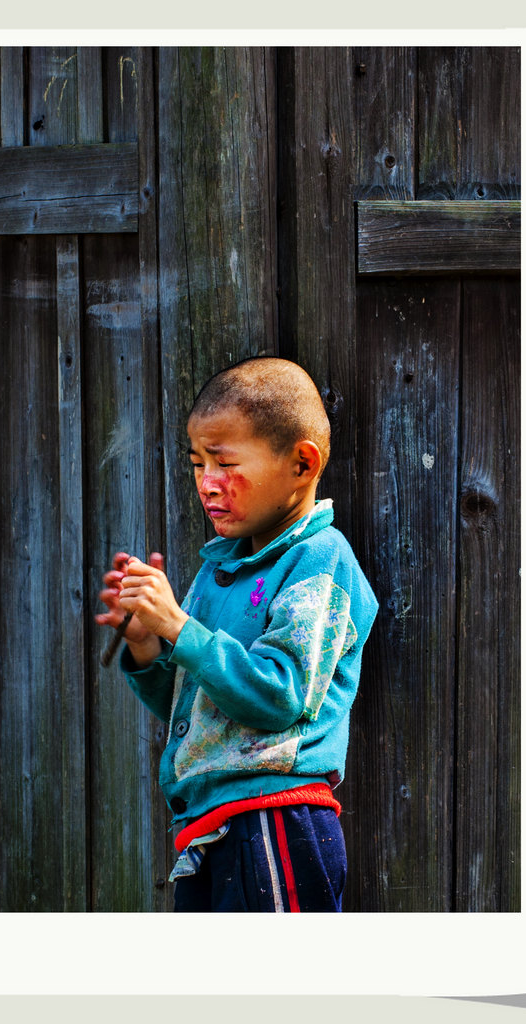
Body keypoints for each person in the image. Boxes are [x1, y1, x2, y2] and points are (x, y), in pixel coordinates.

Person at [96, 357, 378, 912]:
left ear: (301, 462)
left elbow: (280, 694)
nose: (207, 484)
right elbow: (197, 706)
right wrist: (147, 642)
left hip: (275, 819)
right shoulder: (218, 571)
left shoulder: (318, 560)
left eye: (224, 463)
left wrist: (179, 625)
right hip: (207, 829)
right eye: (198, 464)